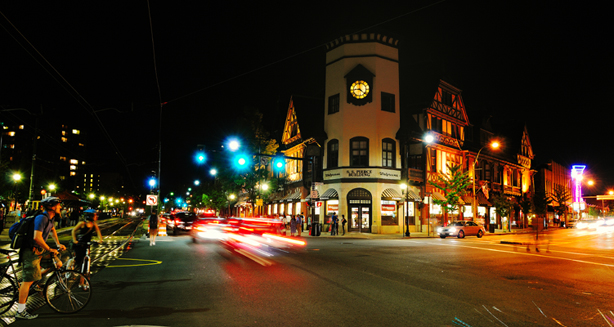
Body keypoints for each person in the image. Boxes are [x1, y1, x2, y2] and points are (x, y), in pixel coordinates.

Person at [15, 196, 66, 320]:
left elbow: (53, 231)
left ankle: (34, 280)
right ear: (52, 207)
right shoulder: (42, 218)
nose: (60, 207)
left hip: (39, 251)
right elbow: (36, 237)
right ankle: (20, 311)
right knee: (26, 281)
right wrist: (50, 248)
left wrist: (58, 244)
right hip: (31, 251)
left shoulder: (50, 219)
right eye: (58, 205)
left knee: (57, 264)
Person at [71, 209, 103, 277]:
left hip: (87, 244)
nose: (96, 217)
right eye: (95, 215)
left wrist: (100, 240)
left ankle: (82, 280)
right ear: (91, 216)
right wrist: (74, 240)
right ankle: (71, 265)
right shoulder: (82, 223)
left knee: (85, 261)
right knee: (78, 258)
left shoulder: (94, 224)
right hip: (79, 243)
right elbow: (73, 231)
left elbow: (98, 232)